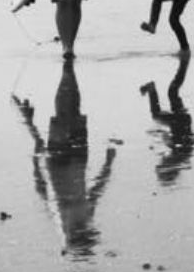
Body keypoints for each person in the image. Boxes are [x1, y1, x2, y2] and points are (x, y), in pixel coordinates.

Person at [12, 60, 116, 257]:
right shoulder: (80, 218)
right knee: (72, 109)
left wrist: (35, 156)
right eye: (88, 233)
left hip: (60, 159)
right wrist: (108, 164)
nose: (87, 228)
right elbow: (95, 192)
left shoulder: (59, 214)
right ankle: (68, 69)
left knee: (65, 111)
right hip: (77, 159)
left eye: (85, 233)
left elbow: (42, 186)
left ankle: (67, 69)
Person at [140, 55, 194, 186]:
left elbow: (168, 136)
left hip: (182, 118)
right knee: (157, 114)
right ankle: (151, 88)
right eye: (162, 163)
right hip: (179, 119)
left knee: (173, 91)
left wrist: (159, 133)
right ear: (169, 166)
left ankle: (183, 65)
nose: (162, 160)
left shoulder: (177, 151)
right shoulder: (183, 152)